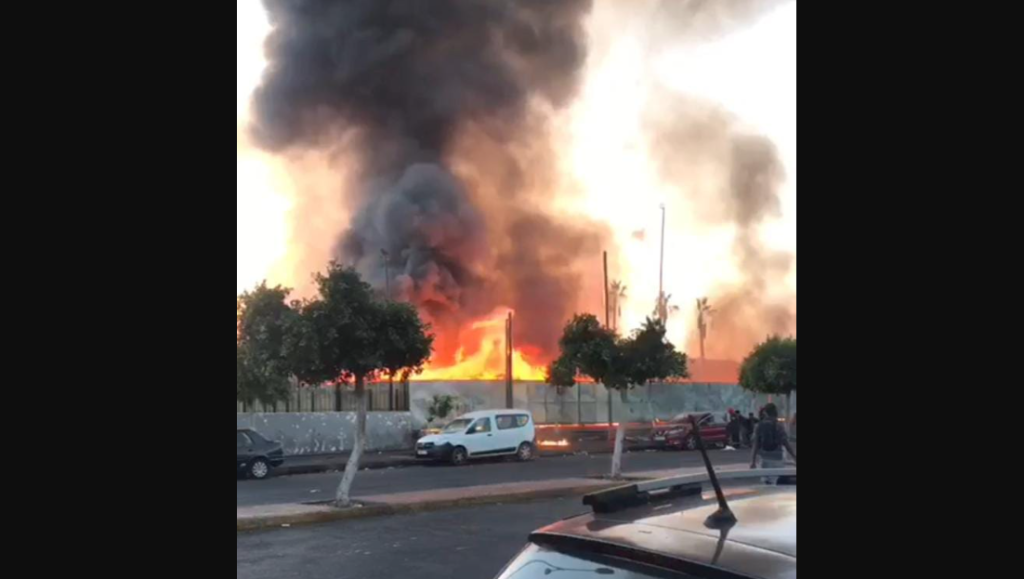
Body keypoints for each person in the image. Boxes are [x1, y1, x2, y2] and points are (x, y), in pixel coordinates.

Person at [750, 403, 796, 484]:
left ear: (765, 412)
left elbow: (755, 445)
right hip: (778, 458)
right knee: (778, 481)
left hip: (764, 458)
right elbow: (786, 443)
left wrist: (753, 461)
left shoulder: (759, 426)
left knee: (766, 481)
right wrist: (794, 457)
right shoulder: (779, 426)